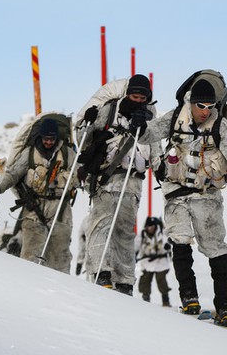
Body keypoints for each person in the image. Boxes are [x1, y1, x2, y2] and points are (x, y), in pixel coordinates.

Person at [134, 76, 227, 327]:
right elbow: (149, 134)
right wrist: (139, 125)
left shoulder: (220, 125)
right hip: (176, 191)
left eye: (210, 107)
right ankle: (189, 298)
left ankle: (225, 307)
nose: (205, 112)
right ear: (193, 103)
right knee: (180, 240)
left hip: (207, 195)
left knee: (215, 248)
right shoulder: (176, 116)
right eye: (202, 106)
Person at [76, 74, 162, 295]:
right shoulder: (110, 110)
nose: (139, 100)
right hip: (106, 175)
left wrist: (160, 166)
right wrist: (88, 120)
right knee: (101, 223)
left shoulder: (151, 118)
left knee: (125, 230)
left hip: (133, 180)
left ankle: (125, 281)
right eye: (135, 96)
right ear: (127, 93)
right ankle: (100, 272)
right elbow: (82, 138)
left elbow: (155, 146)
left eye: (143, 97)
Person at [0, 117, 77, 274]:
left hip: (60, 210)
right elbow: (12, 174)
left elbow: (80, 175)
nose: (49, 142)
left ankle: (62, 292)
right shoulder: (29, 154)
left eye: (52, 138)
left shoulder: (67, 153)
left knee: (60, 258)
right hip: (33, 209)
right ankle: (29, 288)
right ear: (40, 136)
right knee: (30, 256)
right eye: (46, 138)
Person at [135, 216, 171, 307]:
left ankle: (165, 301)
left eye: (152, 227)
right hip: (147, 262)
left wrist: (166, 247)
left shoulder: (161, 234)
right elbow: (136, 246)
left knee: (161, 281)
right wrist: (134, 255)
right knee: (145, 281)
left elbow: (166, 244)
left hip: (160, 262)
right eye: (149, 227)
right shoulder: (142, 234)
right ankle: (145, 300)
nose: (150, 229)